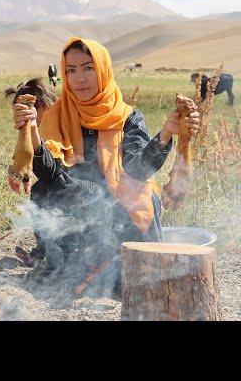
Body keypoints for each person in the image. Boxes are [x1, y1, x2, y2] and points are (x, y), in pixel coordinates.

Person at [11, 38, 200, 298]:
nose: (80, 78)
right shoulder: (58, 114)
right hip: (75, 202)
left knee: (131, 274)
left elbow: (137, 170)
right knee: (46, 189)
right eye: (71, 70)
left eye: (88, 68)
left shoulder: (127, 117)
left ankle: (111, 267)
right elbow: (50, 174)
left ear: (102, 69)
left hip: (120, 205)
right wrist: (31, 131)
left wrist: (167, 133)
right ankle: (66, 263)